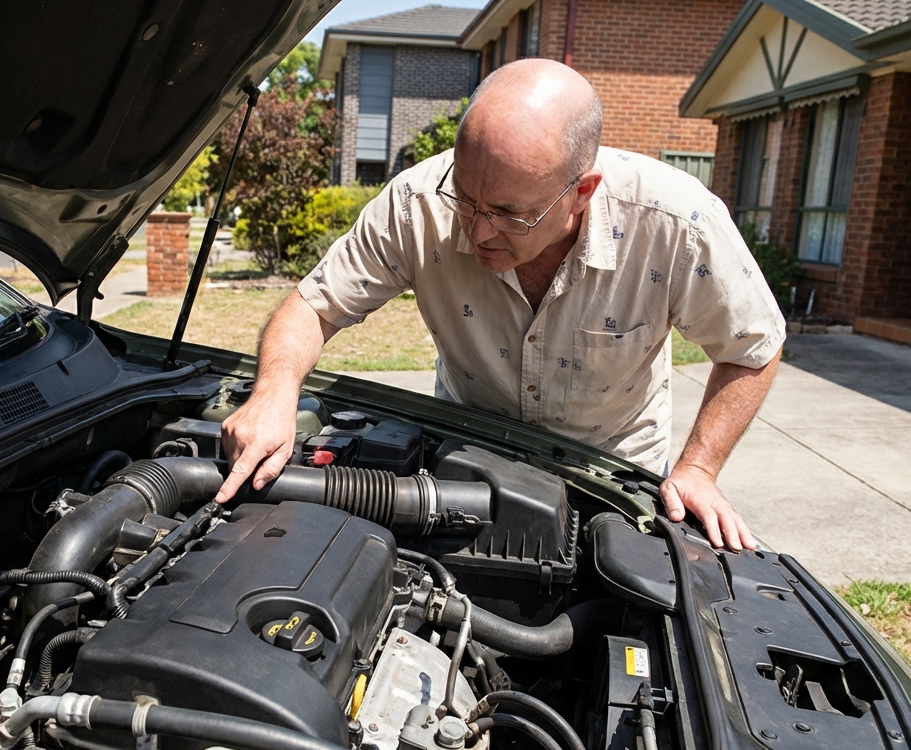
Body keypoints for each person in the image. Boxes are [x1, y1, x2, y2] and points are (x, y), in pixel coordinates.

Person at [215, 59, 784, 551]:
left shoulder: (676, 224)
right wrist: (274, 393)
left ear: (581, 192)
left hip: (614, 475)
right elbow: (316, 304)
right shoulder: (418, 202)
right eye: (465, 196)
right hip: (466, 460)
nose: (478, 230)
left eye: (511, 212)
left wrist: (699, 470)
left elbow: (753, 344)